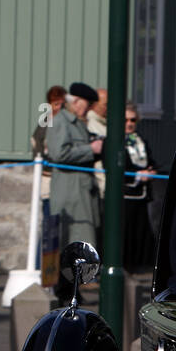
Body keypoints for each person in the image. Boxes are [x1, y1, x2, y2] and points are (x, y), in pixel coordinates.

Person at [50, 81, 104, 303]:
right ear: (76, 101)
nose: (88, 109)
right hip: (71, 193)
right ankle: (66, 290)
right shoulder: (61, 122)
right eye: (87, 104)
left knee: (78, 244)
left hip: (81, 191)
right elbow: (58, 154)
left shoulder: (77, 123)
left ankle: (70, 289)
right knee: (73, 243)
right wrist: (89, 149)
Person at [121, 102, 158, 272]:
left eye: (133, 120)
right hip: (126, 196)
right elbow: (118, 167)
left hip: (142, 195)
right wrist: (138, 175)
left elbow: (151, 160)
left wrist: (151, 170)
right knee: (126, 235)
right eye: (126, 120)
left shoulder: (140, 140)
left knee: (141, 234)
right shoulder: (115, 141)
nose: (129, 123)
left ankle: (139, 267)